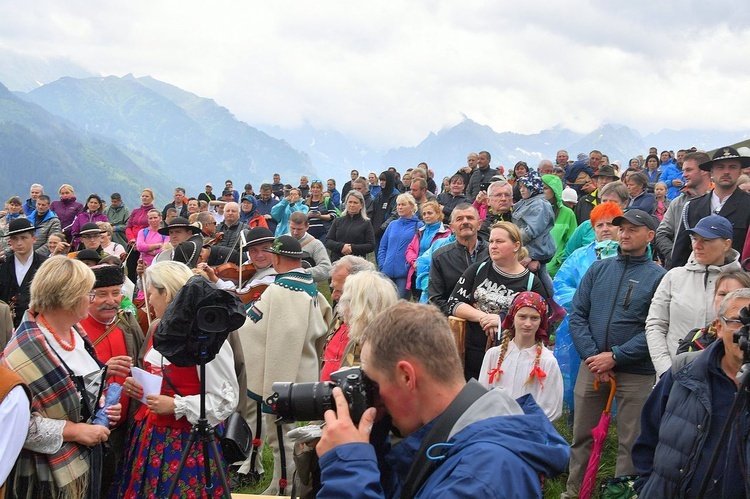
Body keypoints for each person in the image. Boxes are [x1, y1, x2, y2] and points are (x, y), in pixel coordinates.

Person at [315, 301, 570, 498]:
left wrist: (347, 469)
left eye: (376, 384)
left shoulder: (482, 475)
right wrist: (373, 445)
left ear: (406, 377)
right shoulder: (454, 437)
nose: (375, 399)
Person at [564, 209, 667, 498]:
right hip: (593, 366)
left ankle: (620, 494)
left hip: (636, 372)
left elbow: (656, 328)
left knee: (631, 441)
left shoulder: (659, 277)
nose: (624, 233)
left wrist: (617, 356)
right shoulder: (598, 269)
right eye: (621, 228)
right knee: (581, 434)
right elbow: (578, 315)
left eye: (633, 229)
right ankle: (575, 492)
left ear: (649, 235)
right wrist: (594, 357)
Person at [114, 261, 237, 498]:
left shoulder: (205, 338)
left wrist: (176, 406)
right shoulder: (158, 329)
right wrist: (140, 389)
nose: (148, 301)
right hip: (150, 435)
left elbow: (226, 399)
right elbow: (162, 378)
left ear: (166, 293)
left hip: (187, 442)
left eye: (150, 293)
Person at [2, 257, 119, 497]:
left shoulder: (76, 330)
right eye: (89, 293)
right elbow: (17, 427)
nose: (92, 298)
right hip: (45, 477)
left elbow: (83, 389)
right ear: (69, 299)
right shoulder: (23, 351)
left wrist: (102, 405)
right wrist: (76, 431)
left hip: (84, 462)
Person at [633, 288, 750, 497]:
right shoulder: (684, 371)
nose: (746, 332)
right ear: (719, 327)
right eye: (737, 321)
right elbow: (648, 435)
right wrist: (648, 487)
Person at [241, 235, 332, 495]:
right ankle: (280, 482)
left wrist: (276, 393)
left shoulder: (285, 291)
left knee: (280, 436)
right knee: (279, 435)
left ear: (277, 258)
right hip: (290, 374)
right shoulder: (301, 284)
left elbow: (286, 340)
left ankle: (285, 487)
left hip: (281, 378)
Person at [449, 221, 548, 380]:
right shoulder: (477, 270)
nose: (493, 246)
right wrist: (485, 317)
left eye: (499, 241)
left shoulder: (532, 283)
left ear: (516, 246)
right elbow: (454, 304)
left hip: (508, 358)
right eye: (492, 241)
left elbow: (540, 323)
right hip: (469, 353)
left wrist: (501, 320)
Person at [645, 215, 741, 377]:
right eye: (695, 239)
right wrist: (665, 371)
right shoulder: (673, 277)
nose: (697, 245)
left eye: (707, 240)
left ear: (726, 244)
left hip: (724, 379)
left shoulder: (739, 282)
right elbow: (655, 325)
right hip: (673, 376)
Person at [79, 264, 144, 493]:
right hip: (86, 434)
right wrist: (102, 371)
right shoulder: (75, 330)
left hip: (125, 430)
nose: (111, 300)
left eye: (116, 293)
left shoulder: (126, 324)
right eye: (102, 294)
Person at [552, 202, 623, 411]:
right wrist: (585, 302)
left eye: (610, 224)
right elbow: (561, 284)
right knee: (579, 369)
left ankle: (612, 414)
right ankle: (577, 411)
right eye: (599, 225)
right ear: (593, 229)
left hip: (618, 325)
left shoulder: (630, 255)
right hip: (581, 324)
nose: (605, 229)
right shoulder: (579, 256)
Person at [478, 291, 563, 421]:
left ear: (541, 321)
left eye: (534, 318)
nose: (528, 324)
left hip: (529, 431)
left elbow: (551, 409)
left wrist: (522, 426)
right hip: (494, 427)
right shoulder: (493, 355)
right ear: (513, 317)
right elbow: (482, 398)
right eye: (522, 317)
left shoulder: (547, 361)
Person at [670, 146, 750, 269]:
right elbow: (680, 252)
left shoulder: (747, 204)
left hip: (735, 279)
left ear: (740, 172)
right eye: (720, 167)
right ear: (711, 172)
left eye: (732, 167)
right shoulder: (693, 206)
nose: (726, 172)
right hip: (697, 279)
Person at [320, 256, 376, 381]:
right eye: (332, 288)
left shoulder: (373, 326)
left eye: (340, 291)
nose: (333, 296)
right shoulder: (341, 310)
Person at [655, 151, 713, 268]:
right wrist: (675, 255)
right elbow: (661, 233)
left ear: (704, 170)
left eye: (689, 170)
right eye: (684, 170)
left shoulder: (717, 201)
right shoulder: (678, 203)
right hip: (681, 268)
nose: (684, 174)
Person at [428, 204, 488, 315]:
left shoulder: (494, 254)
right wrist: (461, 315)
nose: (465, 222)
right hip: (454, 322)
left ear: (479, 224)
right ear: (452, 227)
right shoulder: (440, 257)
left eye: (470, 218)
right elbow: (435, 298)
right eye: (459, 219)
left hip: (489, 323)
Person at [512, 170, 556, 294]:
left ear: (534, 187)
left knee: (541, 278)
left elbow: (532, 230)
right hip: (529, 249)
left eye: (526, 187)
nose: (522, 190)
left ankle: (554, 303)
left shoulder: (539, 205)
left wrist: (512, 237)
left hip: (536, 249)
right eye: (521, 186)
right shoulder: (526, 202)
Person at [0, 219, 48, 327]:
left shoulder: (46, 266)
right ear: (10, 241)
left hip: (38, 326)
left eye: (23, 238)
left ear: (33, 238)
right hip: (5, 327)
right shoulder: (3, 265)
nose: (19, 243)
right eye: (14, 238)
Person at [378, 193, 422, 299]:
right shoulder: (392, 224)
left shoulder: (419, 226)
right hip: (387, 272)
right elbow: (383, 246)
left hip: (404, 274)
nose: (400, 207)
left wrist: (410, 266)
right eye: (398, 205)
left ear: (412, 206)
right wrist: (382, 265)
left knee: (399, 305)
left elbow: (419, 248)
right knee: (385, 303)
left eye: (403, 204)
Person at [405, 200, 451, 302]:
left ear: (438, 214)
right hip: (416, 273)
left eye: (430, 213)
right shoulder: (420, 231)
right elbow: (410, 249)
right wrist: (414, 262)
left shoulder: (446, 234)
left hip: (434, 275)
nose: (426, 216)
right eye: (424, 214)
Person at [542, 174, 577, 278]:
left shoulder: (567, 213)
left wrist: (559, 260)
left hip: (557, 271)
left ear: (554, 190)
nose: (541, 191)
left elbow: (571, 242)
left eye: (545, 188)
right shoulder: (534, 211)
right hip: (533, 268)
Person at [325, 190, 375, 262]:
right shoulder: (338, 221)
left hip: (357, 263)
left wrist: (352, 248)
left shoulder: (366, 223)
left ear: (361, 205)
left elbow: (371, 245)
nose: (352, 205)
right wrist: (342, 247)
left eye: (355, 203)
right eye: (350, 202)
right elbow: (328, 241)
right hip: (337, 262)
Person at [287, 211, 332, 283]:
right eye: (292, 228)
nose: (295, 232)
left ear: (307, 226)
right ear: (289, 223)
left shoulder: (315, 244)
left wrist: (303, 272)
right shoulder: (281, 240)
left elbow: (326, 269)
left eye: (299, 229)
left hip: (306, 288)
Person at [125, 189, 156, 283]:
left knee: (142, 267)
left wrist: (139, 242)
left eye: (147, 196)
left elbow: (151, 229)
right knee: (130, 266)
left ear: (152, 198)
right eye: (143, 196)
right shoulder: (135, 211)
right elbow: (128, 227)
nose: (144, 198)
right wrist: (132, 240)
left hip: (144, 244)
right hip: (132, 244)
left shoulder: (153, 212)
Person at [369, 171, 400, 246]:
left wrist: (382, 228)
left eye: (384, 180)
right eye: (381, 180)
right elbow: (373, 212)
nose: (382, 182)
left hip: (387, 232)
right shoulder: (379, 195)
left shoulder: (396, 196)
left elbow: (395, 215)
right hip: (376, 231)